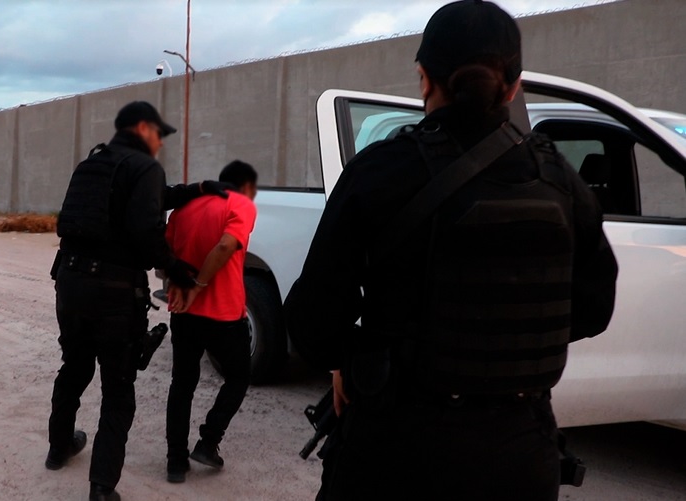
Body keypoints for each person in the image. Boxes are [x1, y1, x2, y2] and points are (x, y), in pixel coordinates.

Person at [284, 2, 619, 500]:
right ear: (514, 86)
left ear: (424, 78)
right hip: (520, 455)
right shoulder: (562, 180)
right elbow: (594, 309)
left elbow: (312, 322)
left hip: (395, 448)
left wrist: (359, 361)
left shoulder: (380, 171)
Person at [46, 100, 230, 501]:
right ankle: (102, 487)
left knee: (74, 368)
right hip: (112, 293)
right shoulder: (144, 166)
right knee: (118, 390)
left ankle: (58, 448)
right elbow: (147, 233)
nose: (161, 143)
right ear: (143, 128)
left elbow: (149, 198)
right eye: (159, 134)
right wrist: (179, 272)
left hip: (70, 282)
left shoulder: (91, 164)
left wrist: (197, 189)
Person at [163, 160, 258, 484]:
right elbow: (226, 245)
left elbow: (164, 252)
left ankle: (175, 463)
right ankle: (208, 442)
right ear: (246, 187)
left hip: (184, 313)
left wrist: (176, 282)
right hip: (223, 313)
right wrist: (199, 284)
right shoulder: (240, 204)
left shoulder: (184, 207)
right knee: (238, 377)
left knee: (182, 384)